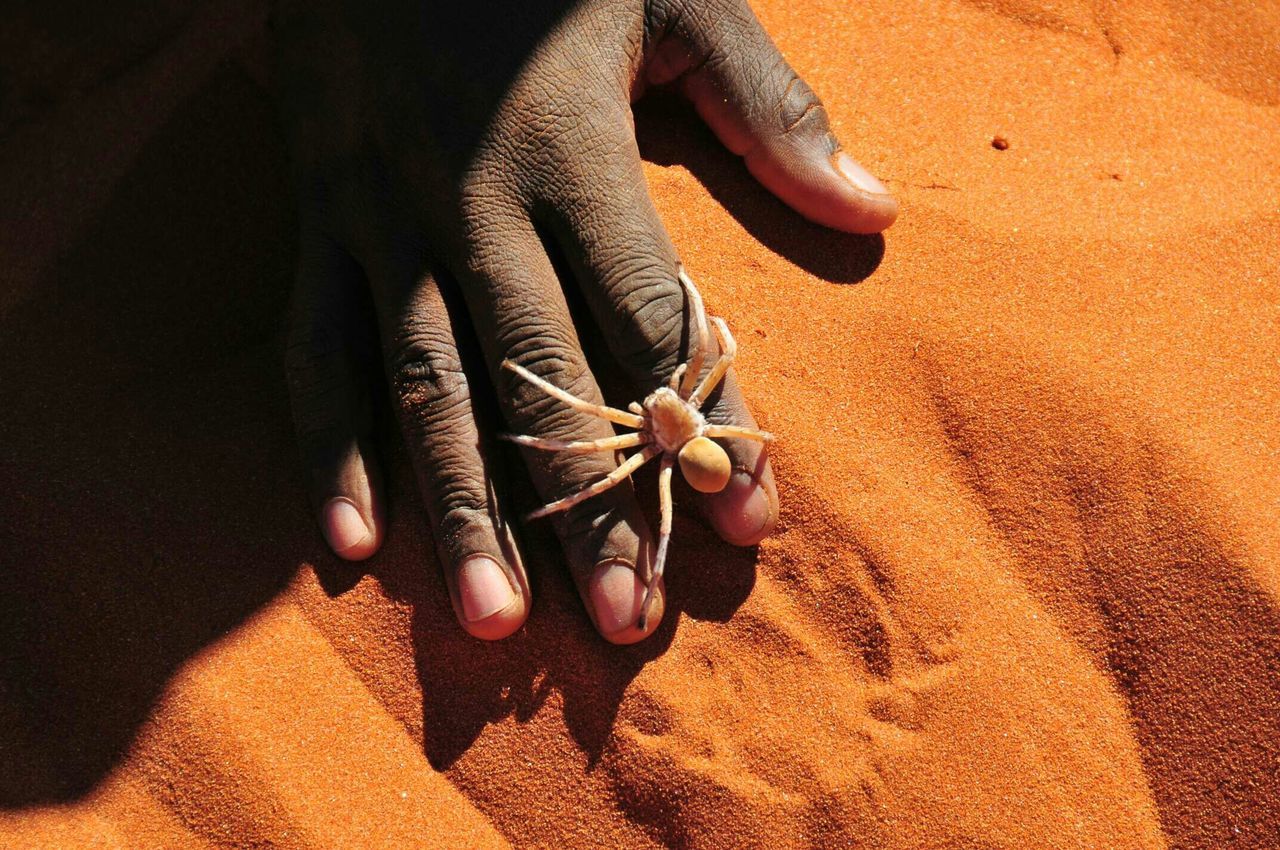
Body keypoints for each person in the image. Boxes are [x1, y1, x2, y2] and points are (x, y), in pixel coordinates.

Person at [273, 0, 897, 645]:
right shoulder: (664, 413)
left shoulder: (647, 426)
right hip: (675, 435)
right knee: (585, 434)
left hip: (669, 439)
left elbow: (696, 371)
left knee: (615, 447)